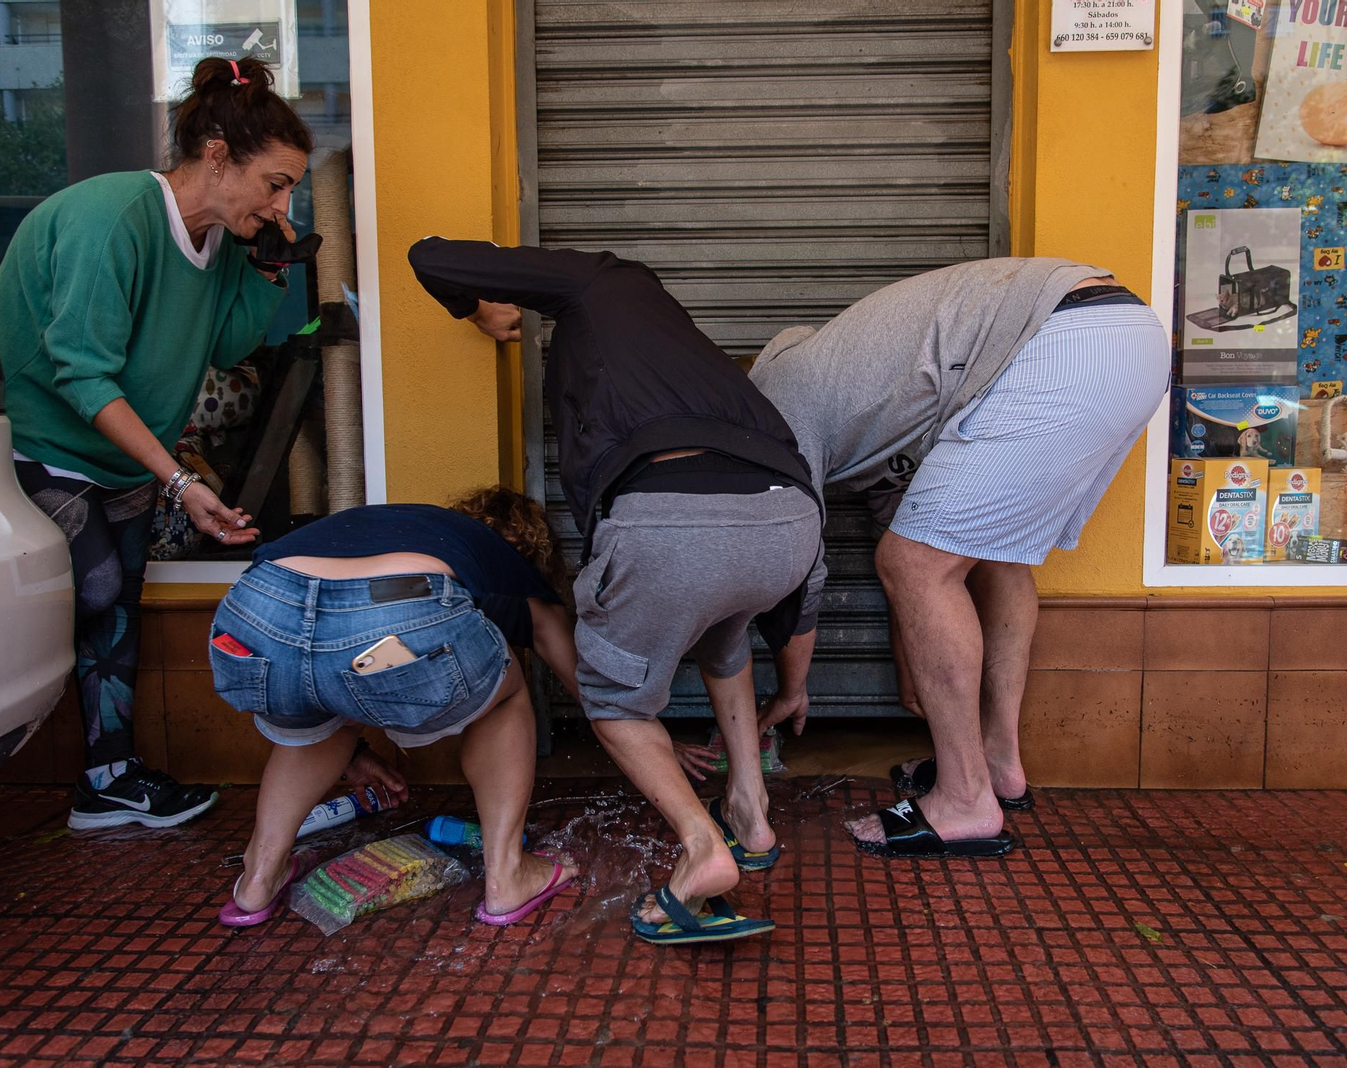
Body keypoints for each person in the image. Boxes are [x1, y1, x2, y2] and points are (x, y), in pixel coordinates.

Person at [409, 240, 823, 945]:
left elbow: (432, 256)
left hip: (670, 514)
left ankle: (701, 846)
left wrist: (478, 307)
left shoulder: (600, 279)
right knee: (724, 634)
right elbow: (794, 591)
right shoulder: (689, 357)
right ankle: (750, 813)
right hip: (792, 519)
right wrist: (796, 680)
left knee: (613, 700)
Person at [0, 56, 320, 830]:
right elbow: (83, 374)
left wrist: (265, 271)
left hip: (118, 453)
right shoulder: (114, 217)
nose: (284, 203)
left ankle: (109, 781)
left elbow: (229, 345)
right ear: (216, 156)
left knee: (120, 608)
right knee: (94, 588)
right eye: (276, 182)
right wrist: (179, 482)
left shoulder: (224, 241)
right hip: (31, 438)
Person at [747, 261, 1170, 857]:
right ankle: (999, 763)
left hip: (1056, 340)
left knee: (917, 564)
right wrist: (908, 658)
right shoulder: (868, 393)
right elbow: (905, 530)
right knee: (996, 555)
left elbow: (802, 564)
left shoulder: (777, 408)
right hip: (1128, 335)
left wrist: (791, 686)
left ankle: (965, 800)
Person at [211, 488, 581, 927]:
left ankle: (258, 878)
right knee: (508, 697)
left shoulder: (400, 523)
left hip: (254, 608)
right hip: (393, 608)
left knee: (318, 719)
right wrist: (646, 743)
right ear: (524, 544)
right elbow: (578, 678)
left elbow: (319, 643)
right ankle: (508, 874)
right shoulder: (508, 563)